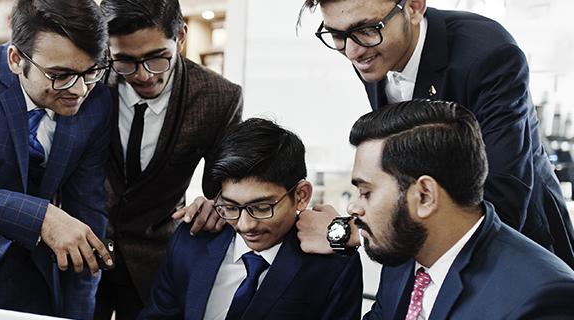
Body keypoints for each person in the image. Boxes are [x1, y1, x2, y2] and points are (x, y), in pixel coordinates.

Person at [296, 0, 574, 269]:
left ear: (414, 6)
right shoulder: (373, 51)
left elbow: (502, 196)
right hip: (427, 247)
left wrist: (350, 233)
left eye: (367, 30)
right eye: (337, 35)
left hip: (516, 243)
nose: (353, 52)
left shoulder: (488, 54)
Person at [0, 0, 113, 317]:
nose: (79, 89)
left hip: (35, 277)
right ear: (16, 59)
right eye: (60, 75)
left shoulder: (97, 102)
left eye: (91, 71)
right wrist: (41, 217)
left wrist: (79, 313)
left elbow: (87, 214)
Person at [348, 100, 574, 319]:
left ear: (425, 196)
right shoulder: (405, 253)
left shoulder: (539, 298)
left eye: (366, 193)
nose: (353, 207)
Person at [95, 0, 244, 318]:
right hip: (84, 251)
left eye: (157, 59)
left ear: (180, 36)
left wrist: (216, 203)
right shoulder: (89, 80)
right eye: (125, 62)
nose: (144, 76)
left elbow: (223, 187)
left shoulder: (220, 98)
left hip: (155, 261)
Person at [140, 118, 362, 320]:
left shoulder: (333, 266)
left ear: (301, 195)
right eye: (230, 207)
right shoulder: (191, 241)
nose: (246, 225)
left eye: (262, 207)